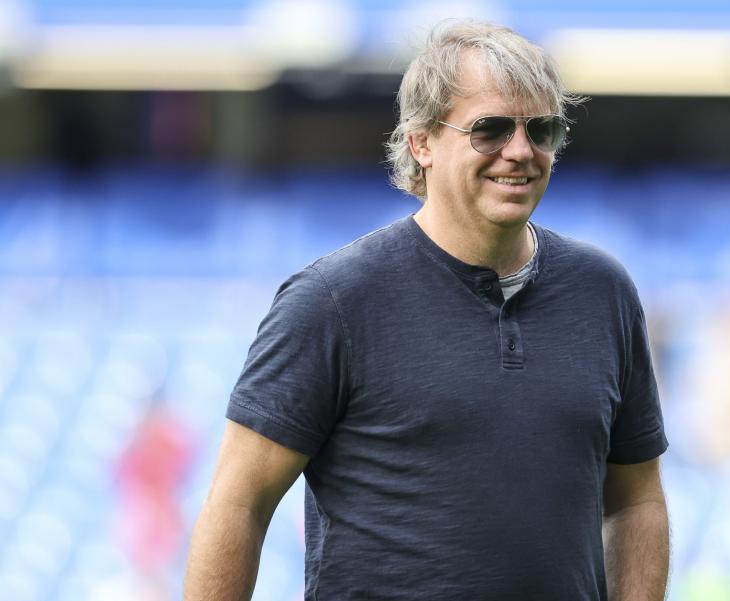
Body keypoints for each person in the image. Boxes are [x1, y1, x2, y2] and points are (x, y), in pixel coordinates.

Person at [184, 20, 669, 601]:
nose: (521, 151)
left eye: (542, 130)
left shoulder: (604, 292)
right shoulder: (333, 301)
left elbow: (636, 500)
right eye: (489, 130)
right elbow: (238, 502)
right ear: (421, 143)